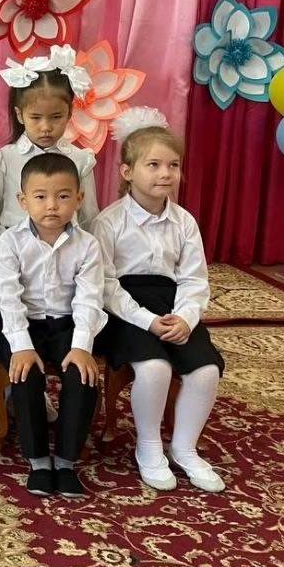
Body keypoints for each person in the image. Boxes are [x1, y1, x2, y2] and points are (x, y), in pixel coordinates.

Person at [91, 110, 226, 493]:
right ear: (127, 171)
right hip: (126, 312)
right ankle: (149, 447)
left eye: (173, 165)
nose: (165, 173)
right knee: (154, 368)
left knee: (206, 370)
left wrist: (185, 317)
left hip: (173, 305)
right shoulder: (108, 222)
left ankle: (184, 447)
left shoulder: (184, 223)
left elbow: (194, 278)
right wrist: (146, 320)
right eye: (153, 165)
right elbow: (105, 284)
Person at [0, 153, 107, 498]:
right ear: (23, 201)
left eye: (63, 196)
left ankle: (67, 462)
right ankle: (39, 461)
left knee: (82, 375)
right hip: (22, 325)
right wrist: (21, 345)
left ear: (79, 198)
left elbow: (89, 298)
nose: (52, 206)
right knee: (24, 374)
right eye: (40, 196)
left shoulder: (88, 245)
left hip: (69, 325)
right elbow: (7, 297)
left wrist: (82, 346)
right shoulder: (10, 242)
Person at [0, 45, 98, 262]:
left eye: (56, 117)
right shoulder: (5, 159)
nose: (46, 127)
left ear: (69, 113)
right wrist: (11, 251)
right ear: (19, 115)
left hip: (66, 259)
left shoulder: (81, 160)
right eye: (35, 117)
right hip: (14, 260)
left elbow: (90, 221)